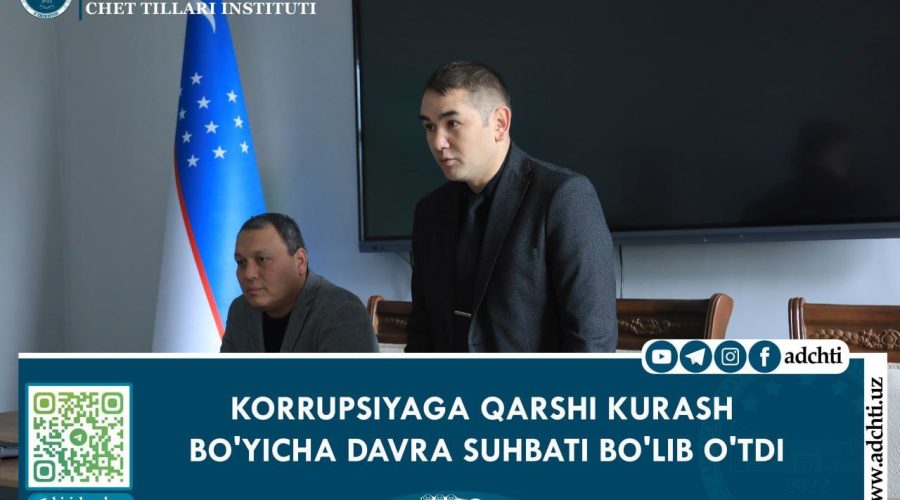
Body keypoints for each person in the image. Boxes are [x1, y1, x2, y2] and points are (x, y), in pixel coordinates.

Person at [406, 61, 617, 352]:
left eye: (452, 123)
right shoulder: (429, 212)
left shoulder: (564, 197)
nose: (437, 142)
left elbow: (592, 343)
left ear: (499, 123)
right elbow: (422, 336)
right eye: (429, 127)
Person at [220, 213, 379, 352]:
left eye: (262, 259)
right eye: (241, 262)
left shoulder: (342, 311)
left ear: (300, 261)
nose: (248, 274)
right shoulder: (240, 310)